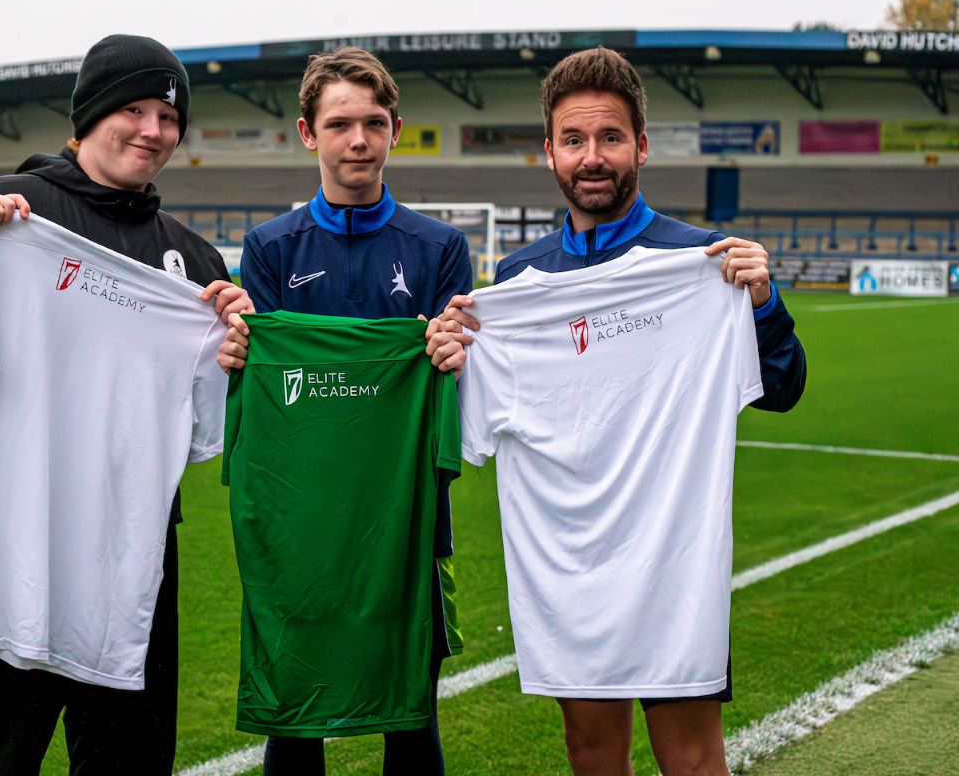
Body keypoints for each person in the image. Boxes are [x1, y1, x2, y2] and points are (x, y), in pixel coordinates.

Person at [0, 34, 251, 775]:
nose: (152, 131)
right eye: (132, 109)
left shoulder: (193, 263)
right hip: (14, 528)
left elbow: (220, 415)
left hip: (132, 543)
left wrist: (234, 350)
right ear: (90, 113)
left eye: (169, 118)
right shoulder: (13, 213)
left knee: (129, 757)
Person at [435, 46, 806, 776]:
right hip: (568, 565)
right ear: (549, 153)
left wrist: (762, 302)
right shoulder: (517, 282)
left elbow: (785, 387)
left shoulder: (703, 261)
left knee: (692, 760)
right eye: (573, 140)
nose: (592, 157)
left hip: (676, 560)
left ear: (640, 145)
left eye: (609, 138)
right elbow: (468, 422)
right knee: (591, 753)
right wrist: (450, 358)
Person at [218, 46, 471, 776]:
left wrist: (457, 354)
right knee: (296, 715)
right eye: (338, 125)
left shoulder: (441, 248)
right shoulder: (268, 249)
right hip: (301, 523)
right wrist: (239, 354)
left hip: (406, 517)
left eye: (372, 122)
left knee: (409, 709)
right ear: (308, 133)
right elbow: (258, 387)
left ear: (395, 129)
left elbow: (462, 386)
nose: (356, 140)